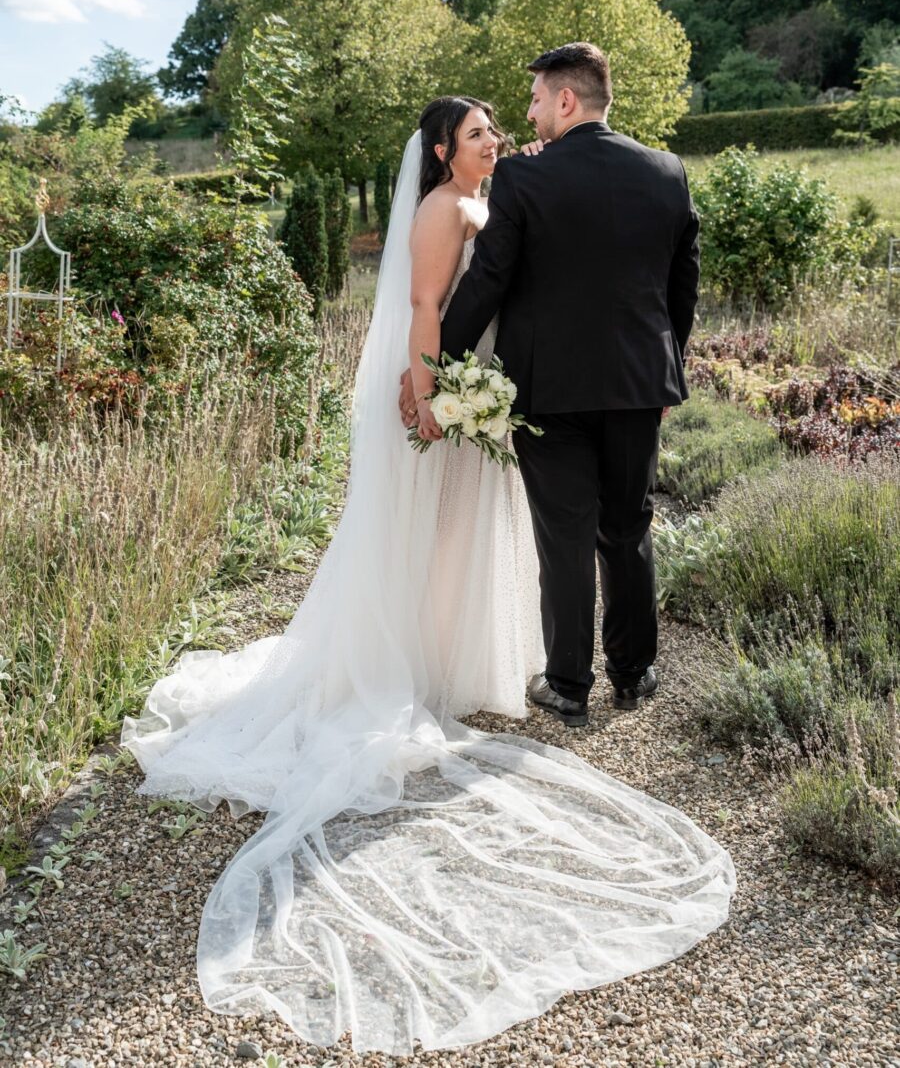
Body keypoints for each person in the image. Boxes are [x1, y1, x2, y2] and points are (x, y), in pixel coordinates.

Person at [121, 93, 733, 1057]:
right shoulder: (458, 204)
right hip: (463, 388)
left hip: (507, 388)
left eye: (507, 122)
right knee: (493, 534)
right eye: (482, 130)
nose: (502, 136)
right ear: (444, 150)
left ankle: (502, 666)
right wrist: (433, 386)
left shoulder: (517, 185)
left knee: (515, 538)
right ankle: (445, 663)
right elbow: (425, 302)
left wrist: (469, 372)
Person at [440, 42, 700, 729]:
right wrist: (665, 373)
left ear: (565, 99)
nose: (526, 115)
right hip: (639, 383)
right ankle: (635, 673)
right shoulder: (667, 172)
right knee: (627, 526)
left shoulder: (526, 181)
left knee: (563, 537)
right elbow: (682, 286)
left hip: (550, 389)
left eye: (533, 100)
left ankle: (568, 684)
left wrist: (443, 365)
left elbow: (487, 282)